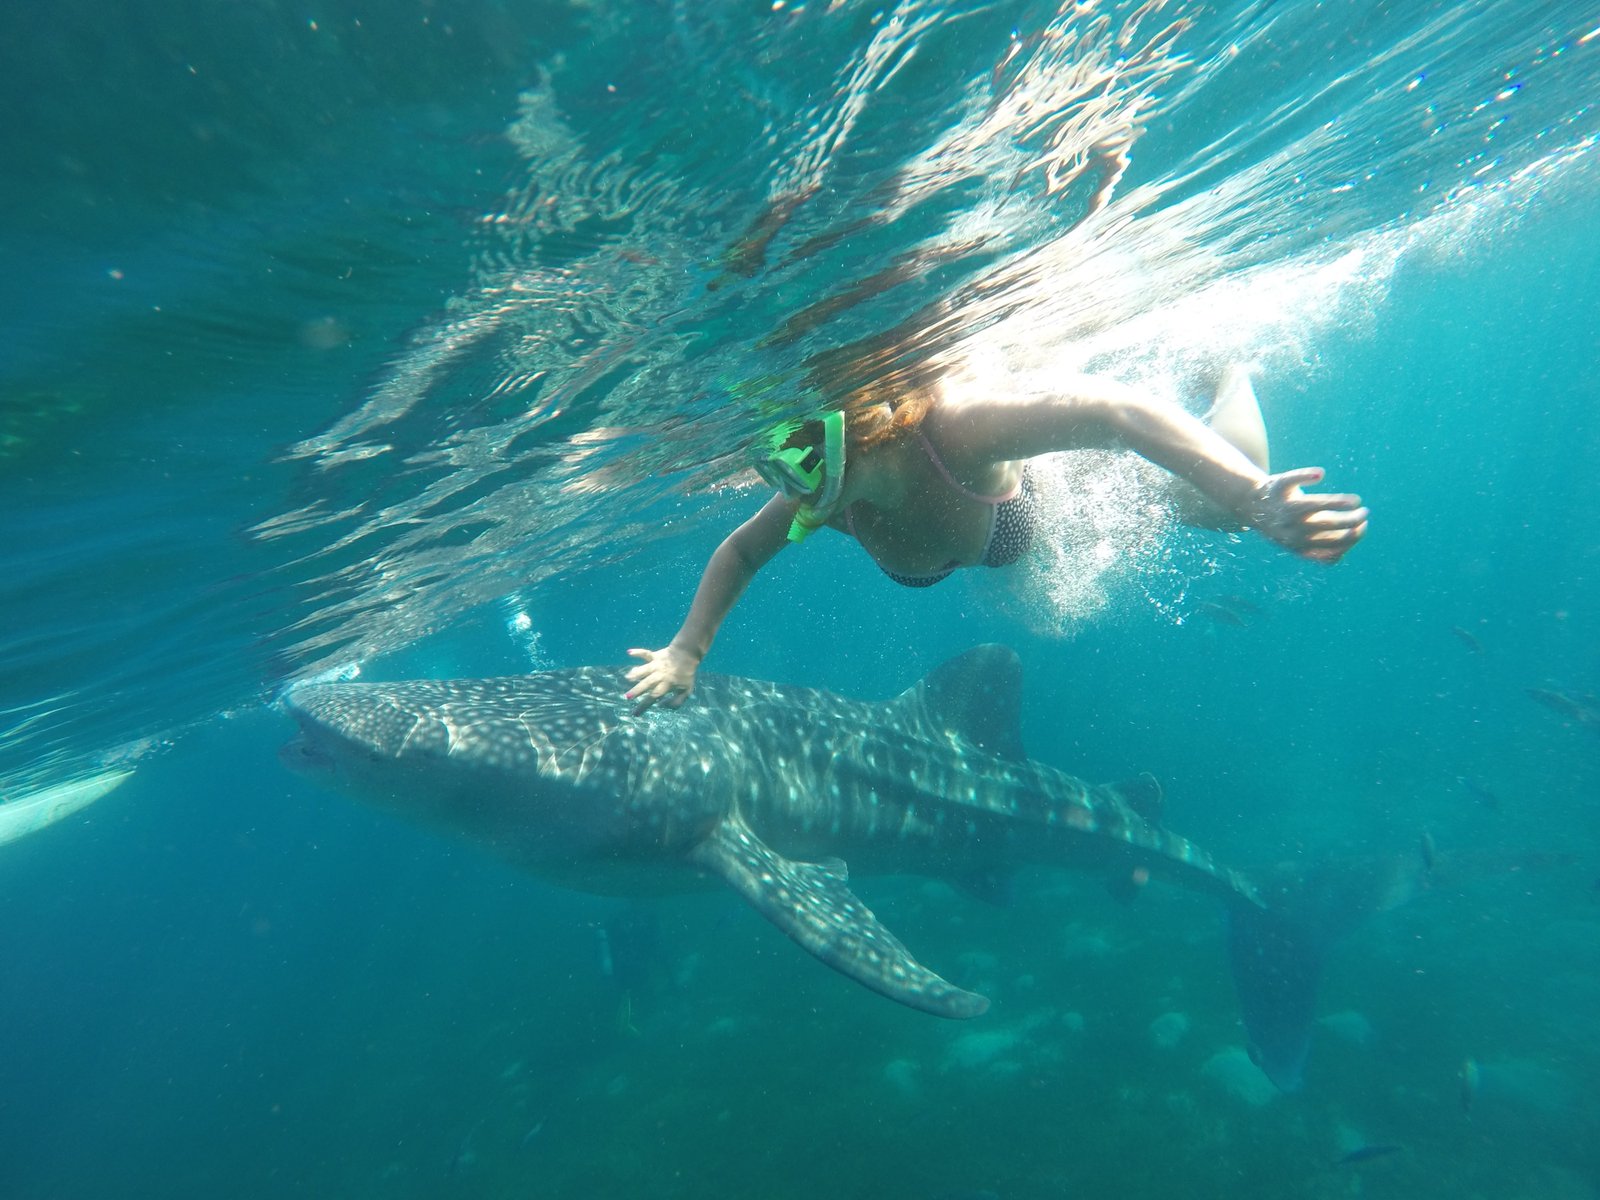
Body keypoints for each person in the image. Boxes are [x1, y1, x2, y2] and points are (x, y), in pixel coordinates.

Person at [625, 365, 1367, 711]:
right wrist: (684, 653)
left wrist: (1250, 494)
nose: (789, 482)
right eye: (776, 458)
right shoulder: (823, 495)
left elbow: (1114, 412)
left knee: (1209, 511)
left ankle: (1232, 371)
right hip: (971, 541)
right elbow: (742, 550)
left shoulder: (954, 429)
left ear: (859, 432)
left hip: (1034, 501)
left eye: (803, 454)